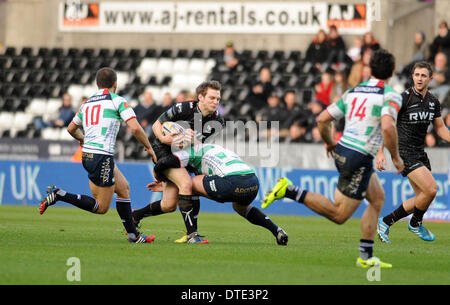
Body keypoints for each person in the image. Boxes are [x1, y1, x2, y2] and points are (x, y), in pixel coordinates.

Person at [262, 49, 405, 268]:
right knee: (339, 214)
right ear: (392, 71)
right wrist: (395, 156)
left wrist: (329, 142)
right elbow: (387, 126)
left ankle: (366, 257)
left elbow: (322, 119)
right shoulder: (391, 95)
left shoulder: (354, 91)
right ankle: (289, 191)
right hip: (359, 157)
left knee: (377, 199)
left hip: (344, 150)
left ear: (371, 69)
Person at [39, 67, 156, 244]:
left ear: (97, 84)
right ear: (115, 84)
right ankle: (59, 194)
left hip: (88, 155)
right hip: (102, 157)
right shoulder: (118, 101)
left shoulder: (87, 103)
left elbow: (71, 128)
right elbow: (135, 128)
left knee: (124, 189)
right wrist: (149, 148)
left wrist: (83, 139)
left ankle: (134, 236)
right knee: (101, 207)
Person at [134, 143, 289, 245]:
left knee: (189, 185)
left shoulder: (190, 152)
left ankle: (192, 235)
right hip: (252, 181)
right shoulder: (214, 147)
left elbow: (165, 162)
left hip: (231, 182)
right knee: (241, 208)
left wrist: (159, 175)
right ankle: (277, 231)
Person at [376, 61, 450, 243]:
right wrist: (380, 152)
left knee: (423, 196)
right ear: (412, 77)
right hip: (404, 152)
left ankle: (386, 221)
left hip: (419, 152)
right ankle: (416, 223)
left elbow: (440, 128)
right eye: (417, 75)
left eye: (423, 75)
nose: (419, 78)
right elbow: (386, 124)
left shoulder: (433, 102)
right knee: (431, 189)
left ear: (430, 79)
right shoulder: (404, 98)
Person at [148, 80, 225, 243]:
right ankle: (192, 235)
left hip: (186, 152)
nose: (215, 102)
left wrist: (187, 140)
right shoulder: (183, 108)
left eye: (218, 99)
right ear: (200, 97)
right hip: (163, 149)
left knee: (168, 205)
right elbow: (156, 125)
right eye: (212, 98)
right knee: (186, 184)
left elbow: (200, 146)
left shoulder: (218, 121)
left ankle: (135, 216)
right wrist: (165, 138)